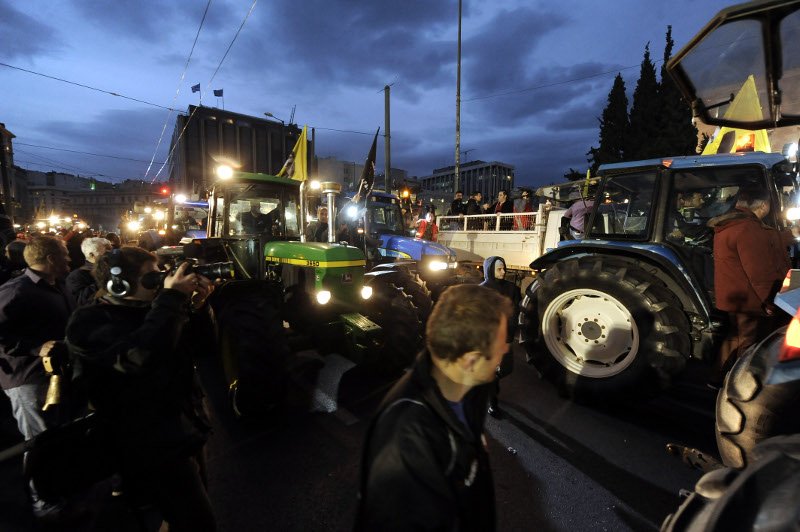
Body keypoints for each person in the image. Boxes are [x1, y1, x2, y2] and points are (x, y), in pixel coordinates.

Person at [65, 246, 216, 531]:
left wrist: (198, 308)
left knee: (189, 512)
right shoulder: (90, 321)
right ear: (118, 284)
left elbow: (204, 349)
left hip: (185, 430)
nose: (160, 281)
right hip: (146, 442)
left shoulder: (158, 311)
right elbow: (141, 357)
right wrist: (172, 299)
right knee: (195, 522)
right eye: (151, 277)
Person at [355, 284, 512, 531]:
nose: (506, 349)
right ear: (470, 361)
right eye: (501, 344)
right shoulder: (406, 444)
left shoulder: (471, 388)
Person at [0, 235, 74, 518]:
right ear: (51, 259)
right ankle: (43, 504)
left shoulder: (59, 286)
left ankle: (56, 490)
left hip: (55, 375)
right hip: (28, 378)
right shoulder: (15, 291)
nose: (69, 260)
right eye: (65, 255)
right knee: (39, 440)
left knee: (54, 437)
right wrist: (34, 347)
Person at [708, 183, 794, 388]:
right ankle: (741, 386)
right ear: (764, 205)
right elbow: (759, 271)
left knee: (734, 338)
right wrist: (770, 301)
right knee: (750, 344)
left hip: (734, 296)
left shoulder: (731, 224)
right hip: (750, 299)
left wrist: (790, 234)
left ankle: (717, 379)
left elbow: (766, 239)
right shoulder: (749, 228)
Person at [479, 256, 519, 418]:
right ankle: (492, 404)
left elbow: (515, 313)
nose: (503, 272)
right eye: (499, 269)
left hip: (506, 338)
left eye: (504, 268)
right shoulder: (482, 290)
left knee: (504, 370)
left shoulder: (512, 289)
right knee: (492, 374)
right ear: (489, 270)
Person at [65, 237, 112, 306]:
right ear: (92, 255)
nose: (111, 254)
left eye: (111, 250)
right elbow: (81, 301)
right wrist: (105, 278)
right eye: (106, 252)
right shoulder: (76, 276)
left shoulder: (114, 269)